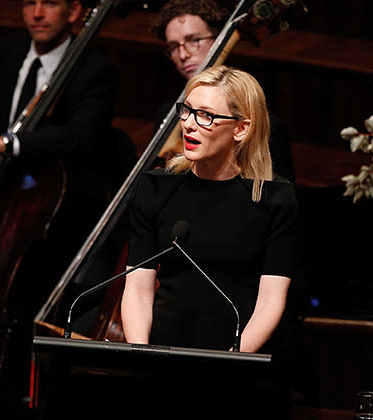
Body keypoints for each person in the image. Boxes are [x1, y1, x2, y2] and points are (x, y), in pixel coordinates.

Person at [0, 0, 133, 416]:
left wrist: (6, 143)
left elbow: (82, 139)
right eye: (29, 2)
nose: (37, 12)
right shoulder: (7, 53)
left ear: (74, 11)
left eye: (50, 2)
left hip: (53, 211)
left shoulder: (94, 68)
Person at [120, 65, 298, 418]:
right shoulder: (156, 190)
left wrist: (231, 362)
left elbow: (270, 301)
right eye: (186, 110)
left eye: (205, 116)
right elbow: (138, 288)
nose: (188, 124)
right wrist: (141, 358)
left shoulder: (275, 201)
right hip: (162, 364)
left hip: (237, 370)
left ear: (242, 128)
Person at [149, 0, 296, 182]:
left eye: (194, 40)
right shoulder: (166, 114)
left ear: (218, 39)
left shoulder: (259, 123)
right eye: (173, 46)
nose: (183, 54)